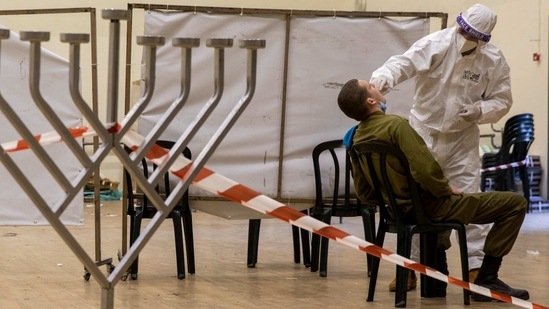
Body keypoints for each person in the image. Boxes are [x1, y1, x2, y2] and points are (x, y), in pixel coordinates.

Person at [337, 78, 528, 301]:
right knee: (515, 204)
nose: (375, 86)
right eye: (370, 86)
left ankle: (436, 279)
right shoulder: (396, 125)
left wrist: (394, 200)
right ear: (371, 101)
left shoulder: (356, 139)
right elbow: (425, 169)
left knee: (438, 210)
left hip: (398, 212)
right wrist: (445, 188)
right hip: (430, 208)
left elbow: (364, 193)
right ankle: (487, 278)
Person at [370, 3, 512, 290]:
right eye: (461, 30)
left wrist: (480, 111)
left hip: (462, 140)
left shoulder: (493, 60)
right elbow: (403, 63)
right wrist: (382, 79)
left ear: (483, 39)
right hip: (423, 135)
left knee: (471, 199)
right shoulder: (435, 44)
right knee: (418, 201)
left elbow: (503, 100)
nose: (463, 36)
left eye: (470, 34)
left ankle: (474, 267)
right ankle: (411, 269)